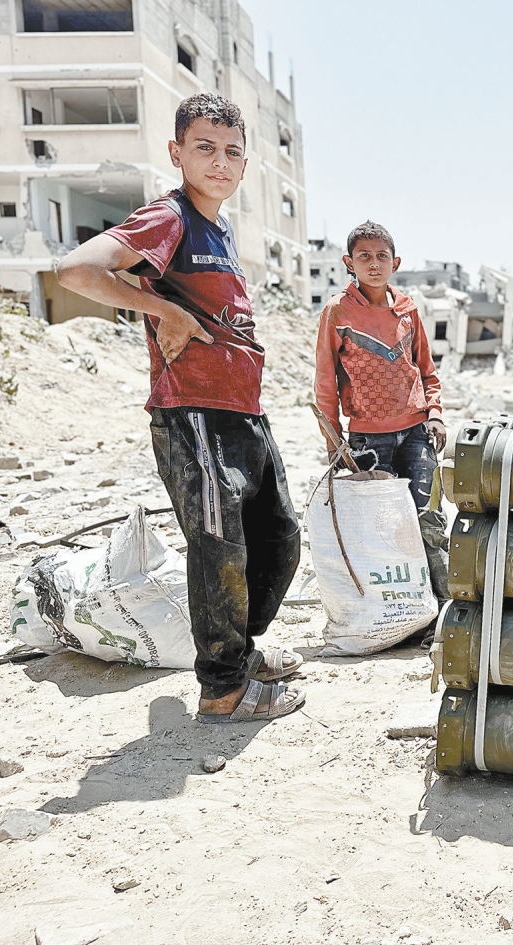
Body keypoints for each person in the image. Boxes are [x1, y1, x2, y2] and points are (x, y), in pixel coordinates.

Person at [55, 93, 305, 724]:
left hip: (243, 411)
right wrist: (163, 309)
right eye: (205, 148)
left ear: (245, 164)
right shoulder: (169, 218)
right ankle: (223, 688)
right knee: (219, 549)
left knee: (278, 540)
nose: (220, 161)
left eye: (232, 151)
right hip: (194, 413)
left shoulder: (218, 229)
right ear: (177, 152)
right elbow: (78, 270)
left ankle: (241, 652)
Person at [313, 221, 449, 632]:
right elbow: (325, 380)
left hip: (416, 433)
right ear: (349, 262)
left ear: (396, 262)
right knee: (382, 528)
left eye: (382, 256)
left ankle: (444, 614)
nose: (374, 264)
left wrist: (435, 413)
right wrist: (334, 439)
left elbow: (426, 370)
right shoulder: (337, 311)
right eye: (364, 256)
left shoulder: (408, 309)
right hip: (368, 440)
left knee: (429, 520)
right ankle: (395, 618)